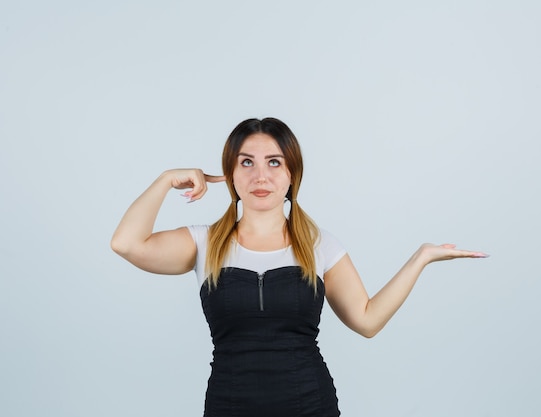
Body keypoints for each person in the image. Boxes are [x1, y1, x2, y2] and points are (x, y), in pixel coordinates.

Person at [111, 117, 488, 417]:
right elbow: (126, 243)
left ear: (292, 174)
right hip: (228, 406)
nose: (261, 176)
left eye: (274, 162)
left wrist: (420, 258)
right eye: (247, 162)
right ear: (230, 174)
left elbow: (367, 320)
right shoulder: (203, 243)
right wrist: (165, 180)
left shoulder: (319, 244)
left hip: (311, 405)